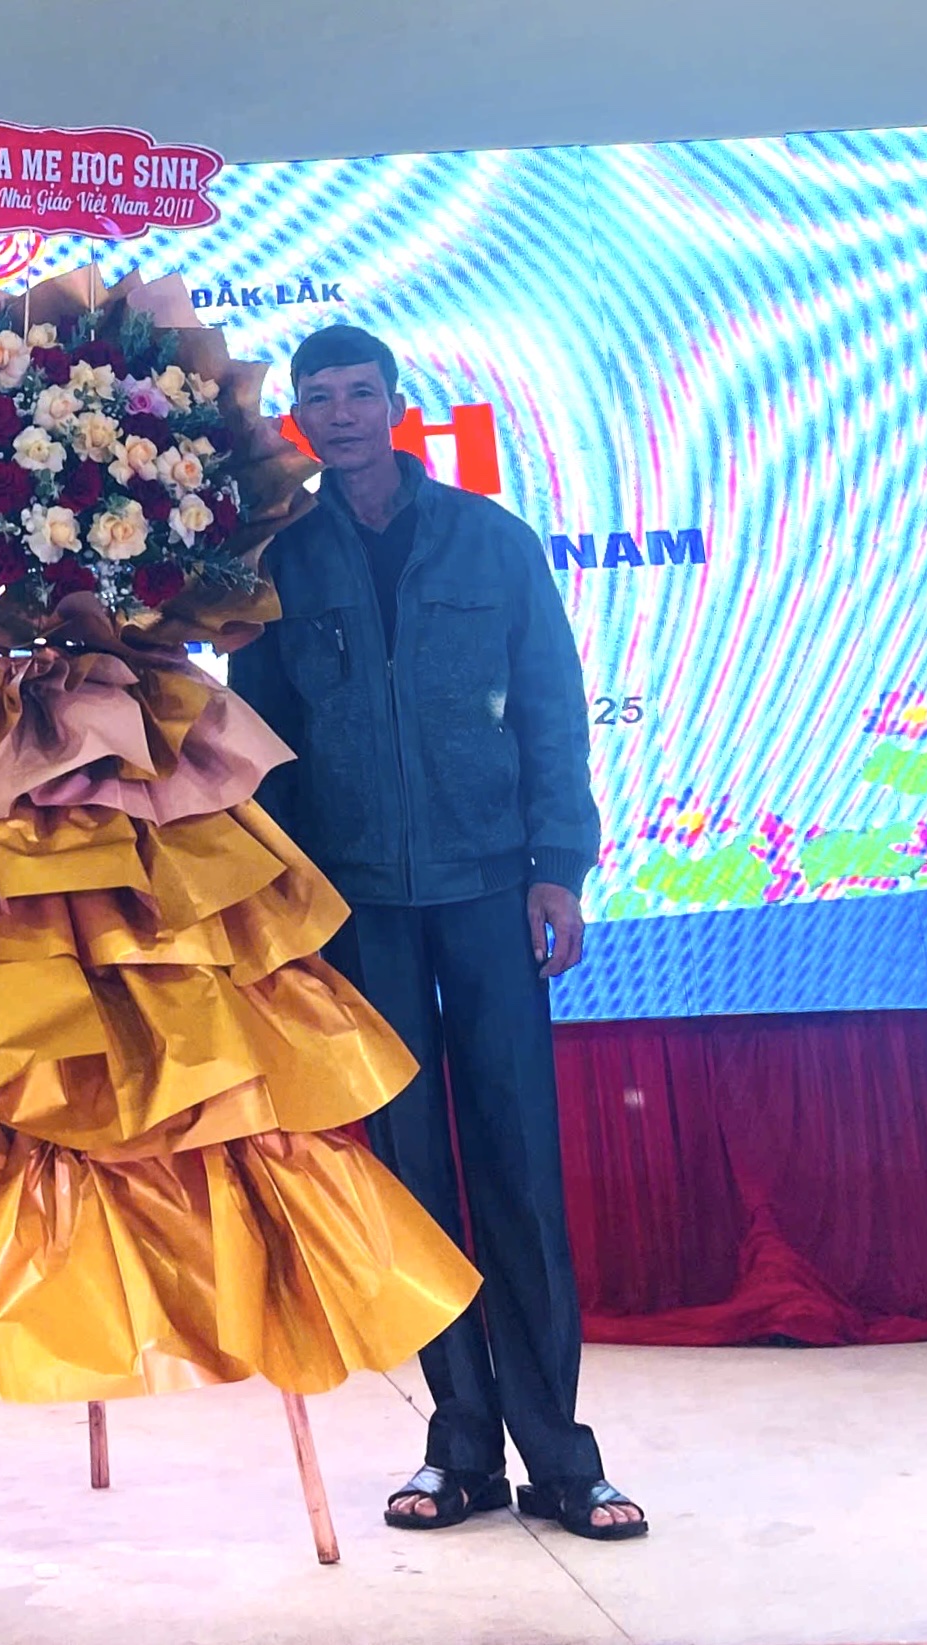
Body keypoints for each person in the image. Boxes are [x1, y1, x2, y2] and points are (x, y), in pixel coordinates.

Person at [229, 325, 647, 1541]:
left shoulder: (488, 540)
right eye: (318, 398)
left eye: (359, 393)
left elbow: (552, 711)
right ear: (299, 417)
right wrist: (292, 908)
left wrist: (556, 868)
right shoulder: (278, 563)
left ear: (396, 404)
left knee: (516, 1166)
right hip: (362, 910)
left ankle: (560, 1455)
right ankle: (456, 1444)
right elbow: (265, 753)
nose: (340, 414)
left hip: (487, 892)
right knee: (410, 1181)